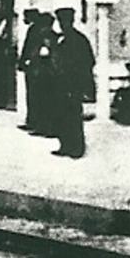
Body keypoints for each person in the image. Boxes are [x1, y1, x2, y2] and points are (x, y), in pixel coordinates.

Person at [51, 8, 96, 158]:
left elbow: (89, 61)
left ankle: (76, 148)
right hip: (60, 83)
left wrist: (80, 82)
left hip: (72, 83)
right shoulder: (62, 39)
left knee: (73, 115)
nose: (63, 24)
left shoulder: (78, 40)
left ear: (70, 21)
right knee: (61, 114)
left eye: (65, 21)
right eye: (61, 21)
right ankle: (65, 145)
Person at [18, 9, 57, 138]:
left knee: (37, 97)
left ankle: (38, 124)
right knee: (34, 96)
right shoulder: (38, 30)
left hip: (38, 70)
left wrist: (25, 61)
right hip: (34, 68)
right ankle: (33, 122)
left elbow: (31, 49)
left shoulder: (40, 32)